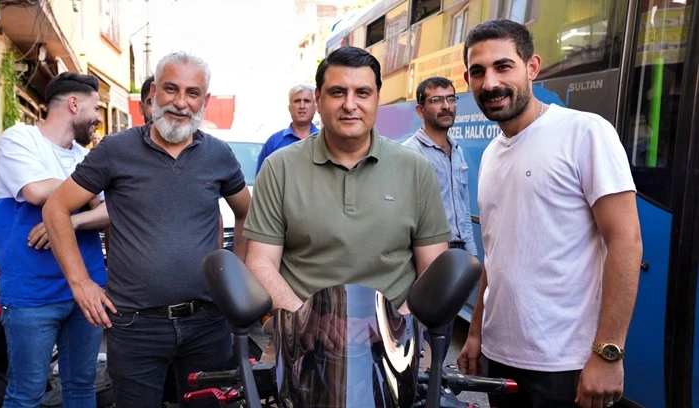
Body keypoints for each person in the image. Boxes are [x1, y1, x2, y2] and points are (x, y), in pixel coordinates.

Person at [42, 51, 251, 407]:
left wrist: (236, 279)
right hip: (134, 326)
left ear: (204, 101)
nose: (180, 102)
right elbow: (55, 208)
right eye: (171, 89)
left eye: (192, 93)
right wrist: (81, 283)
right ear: (153, 92)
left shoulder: (218, 155)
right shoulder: (116, 150)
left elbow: (246, 213)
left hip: (206, 322)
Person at [456, 19, 642, 408]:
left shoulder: (585, 132)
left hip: (564, 365)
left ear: (532, 67)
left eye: (503, 66)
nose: (490, 83)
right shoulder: (491, 154)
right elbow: (496, 254)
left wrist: (608, 353)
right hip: (499, 358)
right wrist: (476, 333)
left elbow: (626, 241)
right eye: (478, 71)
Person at [244, 46, 450, 317]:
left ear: (377, 99)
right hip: (301, 332)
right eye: (338, 92)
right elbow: (261, 262)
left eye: (362, 93)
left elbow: (433, 266)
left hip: (394, 335)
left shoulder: (416, 169)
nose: (350, 105)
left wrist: (397, 326)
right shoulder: (278, 168)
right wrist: (306, 325)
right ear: (319, 99)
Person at [0, 72, 108, 407]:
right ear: (74, 104)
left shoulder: (85, 157)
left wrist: (72, 220)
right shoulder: (20, 138)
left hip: (87, 288)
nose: (98, 118)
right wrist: (90, 191)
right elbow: (35, 191)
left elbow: (112, 210)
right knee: (26, 394)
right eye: (95, 108)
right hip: (32, 293)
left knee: (82, 385)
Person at [403, 76, 477, 255]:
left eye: (451, 99)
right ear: (420, 110)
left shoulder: (457, 151)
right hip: (427, 252)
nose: (446, 106)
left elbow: (464, 207)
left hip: (461, 252)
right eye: (437, 100)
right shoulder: (408, 153)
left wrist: (472, 253)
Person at [255, 83, 318, 174]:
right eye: (297, 101)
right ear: (289, 108)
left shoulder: (325, 140)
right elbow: (261, 179)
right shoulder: (273, 143)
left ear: (315, 108)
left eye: (307, 101)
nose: (302, 106)